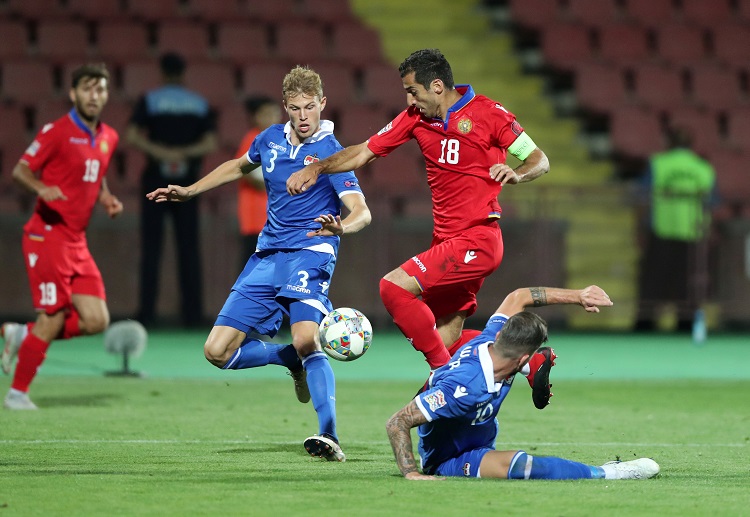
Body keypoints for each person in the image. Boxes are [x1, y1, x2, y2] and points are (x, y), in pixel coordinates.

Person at [146, 66, 372, 462]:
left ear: (322, 104)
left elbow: (361, 210)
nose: (303, 116)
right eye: (295, 108)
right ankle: (286, 358)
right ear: (285, 107)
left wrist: (342, 228)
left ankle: (329, 433)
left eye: (310, 107)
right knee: (217, 352)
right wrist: (190, 191)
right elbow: (237, 166)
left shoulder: (333, 154)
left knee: (306, 337)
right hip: (266, 255)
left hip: (311, 252)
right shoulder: (268, 139)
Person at [287, 48, 550, 377]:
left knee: (393, 288)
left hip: (477, 239)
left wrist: (518, 173)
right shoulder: (415, 119)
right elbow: (364, 152)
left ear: (437, 86)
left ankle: (442, 378)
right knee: (447, 341)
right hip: (445, 244)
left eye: (413, 91)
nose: (410, 100)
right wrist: (320, 168)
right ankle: (533, 363)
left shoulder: (490, 113)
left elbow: (539, 159)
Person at [385, 284, 660, 481]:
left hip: (475, 423)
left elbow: (519, 296)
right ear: (521, 357)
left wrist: (579, 296)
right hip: (449, 458)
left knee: (471, 395)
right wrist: (411, 472)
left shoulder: (493, 336)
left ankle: (533, 366)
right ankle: (609, 472)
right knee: (521, 465)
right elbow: (397, 422)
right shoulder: (464, 388)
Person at [1, 63, 123, 410]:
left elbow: (95, 172)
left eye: (100, 89)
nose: (94, 95)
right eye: (87, 88)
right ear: (73, 93)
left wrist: (105, 197)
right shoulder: (56, 131)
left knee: (97, 319)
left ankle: (23, 335)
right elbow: (20, 170)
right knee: (53, 316)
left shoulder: (108, 136)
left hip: (76, 241)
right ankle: (17, 393)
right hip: (47, 235)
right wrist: (42, 188)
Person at [125, 52, 218, 328]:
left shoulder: (150, 99)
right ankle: (192, 314)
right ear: (183, 74)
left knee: (151, 248)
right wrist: (182, 153)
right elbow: (210, 143)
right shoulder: (198, 103)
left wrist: (162, 152)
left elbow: (131, 136)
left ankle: (146, 314)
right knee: (189, 248)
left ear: (163, 73)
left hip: (154, 179)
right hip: (187, 183)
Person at [635, 126, 716, 332]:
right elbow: (713, 201)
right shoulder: (703, 168)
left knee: (653, 281)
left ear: (669, 143)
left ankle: (646, 323)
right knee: (688, 282)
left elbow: (642, 198)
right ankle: (687, 324)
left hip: (662, 231)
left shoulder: (658, 164)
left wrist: (639, 228)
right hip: (692, 233)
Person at [234, 96, 282, 268]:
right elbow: (250, 175)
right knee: (252, 268)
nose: (271, 118)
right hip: (255, 219)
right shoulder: (253, 139)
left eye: (274, 114)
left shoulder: (280, 140)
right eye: (265, 114)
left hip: (275, 220)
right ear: (255, 117)